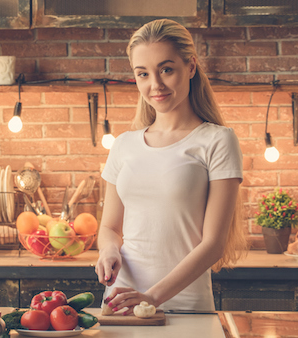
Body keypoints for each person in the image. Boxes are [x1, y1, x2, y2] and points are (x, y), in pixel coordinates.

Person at [95, 18, 248, 313]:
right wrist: (109, 250)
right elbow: (110, 227)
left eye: (166, 69)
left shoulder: (217, 140)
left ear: (190, 67)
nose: (156, 85)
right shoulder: (124, 144)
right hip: (121, 302)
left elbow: (213, 243)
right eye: (143, 74)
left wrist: (152, 297)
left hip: (185, 305)